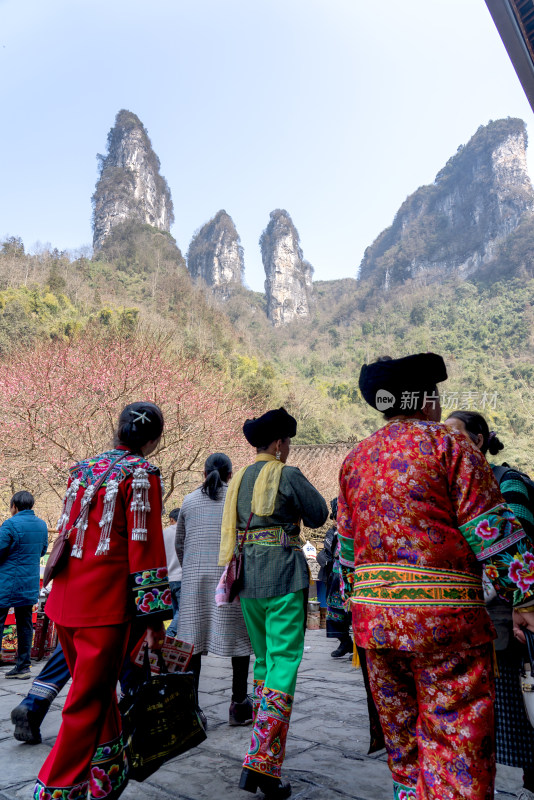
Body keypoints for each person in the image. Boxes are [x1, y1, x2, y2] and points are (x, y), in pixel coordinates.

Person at [338, 353, 534, 800]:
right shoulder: (450, 447)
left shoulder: (354, 460)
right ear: (426, 399)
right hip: (446, 630)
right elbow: (492, 532)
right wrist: (526, 597)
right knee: (457, 752)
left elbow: (348, 555)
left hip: (376, 628)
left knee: (404, 750)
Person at [35, 401, 172, 800]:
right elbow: (144, 550)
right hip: (105, 608)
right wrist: (153, 620)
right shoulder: (142, 474)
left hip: (64, 602)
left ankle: (107, 775)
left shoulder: (82, 470)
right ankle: (54, 788)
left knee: (94, 691)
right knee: (87, 702)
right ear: (153, 439)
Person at [219, 407, 328, 799]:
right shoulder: (286, 473)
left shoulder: (238, 479)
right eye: (288, 442)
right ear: (280, 443)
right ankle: (262, 761)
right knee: (285, 661)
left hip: (247, 577)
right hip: (282, 573)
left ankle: (266, 759)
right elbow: (319, 514)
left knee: (264, 662)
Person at [445, 410, 534, 800]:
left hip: (507, 615)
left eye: (456, 434)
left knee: (525, 711)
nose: (447, 442)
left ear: (479, 439)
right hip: (468, 620)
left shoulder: (507, 481)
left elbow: (519, 541)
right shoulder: (452, 482)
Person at [176, 453, 253, 729]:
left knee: (192, 645)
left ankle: (193, 711)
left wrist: (193, 569)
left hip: (195, 581)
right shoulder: (238, 500)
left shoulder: (188, 501)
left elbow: (180, 544)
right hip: (228, 580)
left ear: (203, 472)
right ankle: (239, 705)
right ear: (231, 474)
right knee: (240, 644)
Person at [0, 491, 48, 679]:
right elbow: (43, 550)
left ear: (14, 506)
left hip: (7, 581)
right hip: (29, 582)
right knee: (26, 624)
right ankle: (23, 667)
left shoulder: (10, 524)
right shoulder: (42, 525)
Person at [322, 498, 353, 658]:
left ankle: (359, 645)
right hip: (337, 573)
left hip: (354, 573)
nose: (336, 520)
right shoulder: (333, 533)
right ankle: (345, 641)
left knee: (353, 612)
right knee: (335, 612)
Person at [164, 507, 181, 639]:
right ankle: (169, 634)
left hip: (168, 578)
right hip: (182, 578)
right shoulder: (185, 533)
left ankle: (174, 638)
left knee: (176, 611)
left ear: (171, 519)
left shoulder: (163, 534)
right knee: (183, 612)